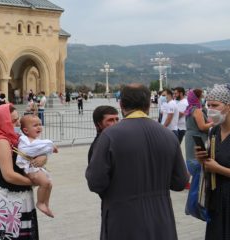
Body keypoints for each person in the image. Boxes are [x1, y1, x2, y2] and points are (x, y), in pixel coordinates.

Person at [86, 84, 189, 240]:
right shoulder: (168, 135)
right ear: (148, 104)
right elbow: (180, 182)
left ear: (121, 104)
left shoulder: (109, 136)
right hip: (161, 221)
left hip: (123, 220)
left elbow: (96, 182)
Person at [0, 104, 41, 239]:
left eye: (18, 119)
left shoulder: (14, 138)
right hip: (10, 198)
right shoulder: (2, 142)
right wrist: (33, 181)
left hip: (20, 196)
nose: (18, 123)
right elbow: (9, 175)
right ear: (2, 122)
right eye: (13, 120)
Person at [195, 83, 230, 240]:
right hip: (215, 199)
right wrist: (201, 159)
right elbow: (210, 163)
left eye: (215, 105)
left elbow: (216, 166)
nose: (210, 109)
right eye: (208, 105)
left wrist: (219, 169)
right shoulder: (214, 131)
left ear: (228, 106)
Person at [16, 114, 58, 218]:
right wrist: (50, 146)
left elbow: (41, 148)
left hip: (35, 167)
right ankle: (40, 203)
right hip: (30, 169)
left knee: (49, 184)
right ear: (26, 130)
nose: (39, 127)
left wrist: (47, 149)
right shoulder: (25, 140)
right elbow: (31, 150)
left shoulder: (35, 140)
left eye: (40, 124)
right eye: (35, 125)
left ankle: (45, 203)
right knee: (45, 183)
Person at [184, 88, 212, 163]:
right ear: (197, 98)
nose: (203, 98)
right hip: (197, 138)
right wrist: (213, 123)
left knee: (190, 159)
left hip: (190, 137)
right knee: (197, 160)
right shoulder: (197, 110)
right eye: (201, 96)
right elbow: (202, 127)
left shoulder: (189, 108)